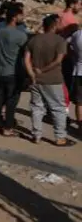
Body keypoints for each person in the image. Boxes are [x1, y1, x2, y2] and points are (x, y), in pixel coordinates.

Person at [25, 14, 72, 146]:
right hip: (53, 79)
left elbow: (26, 59)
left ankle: (36, 135)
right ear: (55, 25)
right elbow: (58, 60)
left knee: (37, 107)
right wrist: (43, 70)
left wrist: (32, 73)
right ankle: (60, 137)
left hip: (36, 79)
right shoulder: (59, 41)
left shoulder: (34, 40)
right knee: (58, 108)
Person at [0, 5, 28, 136]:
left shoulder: (1, 31)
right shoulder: (20, 35)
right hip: (12, 71)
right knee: (11, 101)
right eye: (20, 15)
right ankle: (8, 128)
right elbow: (27, 54)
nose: (22, 18)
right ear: (14, 17)